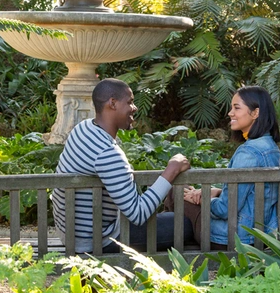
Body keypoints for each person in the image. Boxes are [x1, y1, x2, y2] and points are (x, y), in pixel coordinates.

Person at [51, 78, 192, 253]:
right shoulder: (106, 152)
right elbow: (138, 214)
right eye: (130, 102)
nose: (134, 108)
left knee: (170, 218)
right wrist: (172, 169)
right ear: (113, 103)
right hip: (97, 239)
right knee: (184, 224)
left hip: (70, 232)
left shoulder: (83, 129)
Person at [175, 86, 280, 249]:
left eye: (236, 108)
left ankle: (166, 245)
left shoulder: (249, 153)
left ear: (255, 113)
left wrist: (202, 199)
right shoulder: (272, 148)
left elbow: (225, 209)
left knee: (175, 193)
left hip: (233, 237)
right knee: (187, 195)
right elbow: (251, 194)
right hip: (261, 232)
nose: (230, 113)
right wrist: (215, 192)